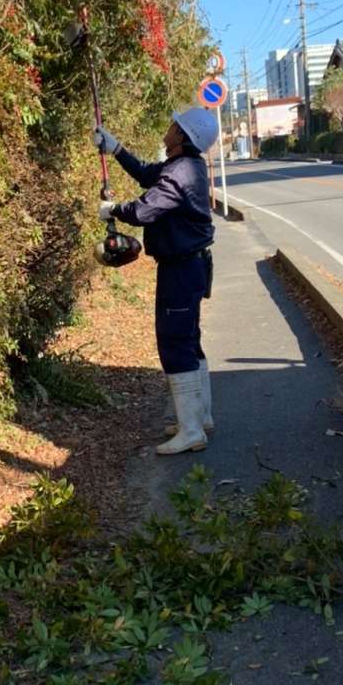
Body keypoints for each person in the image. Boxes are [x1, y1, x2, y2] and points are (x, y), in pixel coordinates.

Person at [93, 107, 219, 454]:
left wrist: (114, 209)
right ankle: (200, 417)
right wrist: (116, 149)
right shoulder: (183, 167)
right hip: (189, 265)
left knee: (175, 342)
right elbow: (148, 174)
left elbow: (145, 210)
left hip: (180, 269)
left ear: (182, 136)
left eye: (173, 125)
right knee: (189, 339)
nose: (168, 128)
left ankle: (192, 430)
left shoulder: (180, 174)